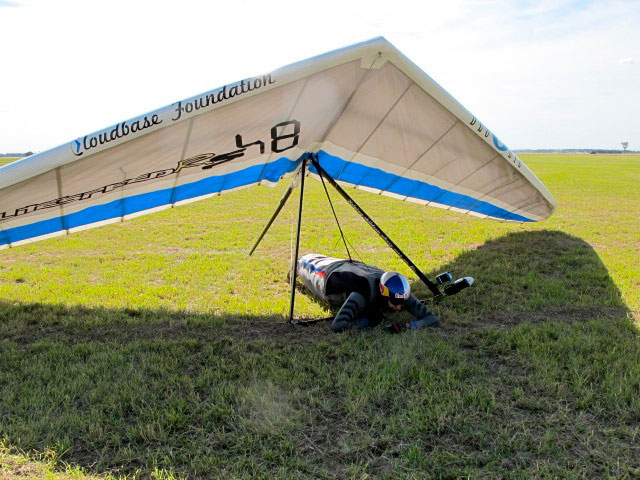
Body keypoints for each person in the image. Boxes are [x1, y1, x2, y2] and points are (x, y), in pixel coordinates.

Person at [296, 253, 440, 333]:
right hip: (328, 275)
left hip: (354, 266)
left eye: (402, 303)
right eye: (395, 303)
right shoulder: (362, 292)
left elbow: (432, 319)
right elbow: (338, 325)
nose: (399, 307)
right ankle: (296, 265)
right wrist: (367, 322)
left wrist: (407, 327)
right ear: (384, 294)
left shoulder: (399, 292)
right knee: (303, 264)